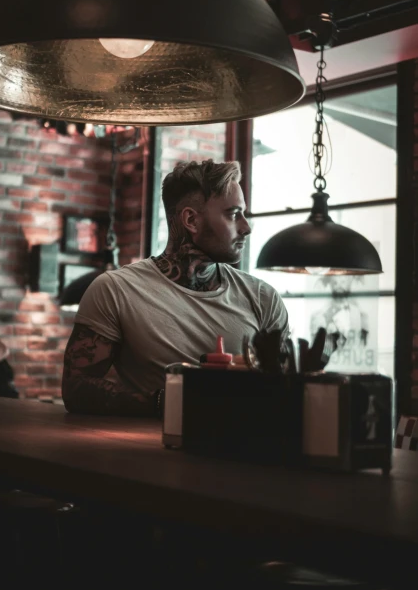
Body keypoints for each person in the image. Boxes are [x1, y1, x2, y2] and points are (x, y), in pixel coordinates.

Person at [62, 159, 289, 417]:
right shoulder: (115, 290)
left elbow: (286, 390)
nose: (246, 228)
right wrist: (169, 402)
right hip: (153, 453)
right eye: (233, 214)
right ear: (191, 220)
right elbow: (75, 389)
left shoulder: (263, 298)